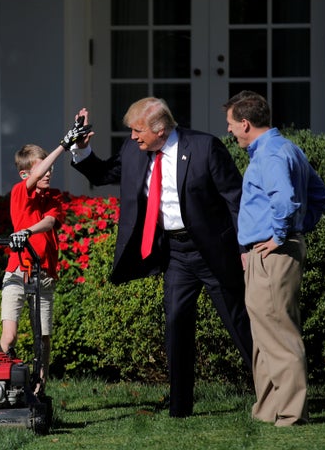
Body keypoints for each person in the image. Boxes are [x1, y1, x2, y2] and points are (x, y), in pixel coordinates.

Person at [68, 98, 253, 418]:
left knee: (239, 323)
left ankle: (274, 391)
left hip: (213, 250)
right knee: (176, 324)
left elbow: (235, 199)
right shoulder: (133, 150)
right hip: (176, 253)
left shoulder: (204, 147)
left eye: (138, 130)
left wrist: (244, 248)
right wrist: (81, 149)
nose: (133, 137)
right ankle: (180, 407)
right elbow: (102, 174)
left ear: (161, 129)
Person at [223, 90, 325, 427]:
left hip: (273, 254)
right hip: (273, 251)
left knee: (279, 334)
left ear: (245, 123)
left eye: (230, 124)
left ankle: (291, 413)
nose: (228, 131)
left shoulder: (269, 155)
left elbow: (283, 199)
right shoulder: (286, 148)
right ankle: (269, 408)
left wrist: (280, 236)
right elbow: (320, 196)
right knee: (266, 332)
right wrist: (297, 230)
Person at [0, 115, 91, 396]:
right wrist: (63, 145)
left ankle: (38, 390)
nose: (48, 173)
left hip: (44, 274)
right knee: (10, 334)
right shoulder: (19, 192)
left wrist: (28, 231)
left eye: (49, 168)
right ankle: (0, 382)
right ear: (25, 175)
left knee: (43, 338)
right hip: (16, 272)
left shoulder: (53, 199)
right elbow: (37, 175)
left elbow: (50, 222)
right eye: (42, 169)